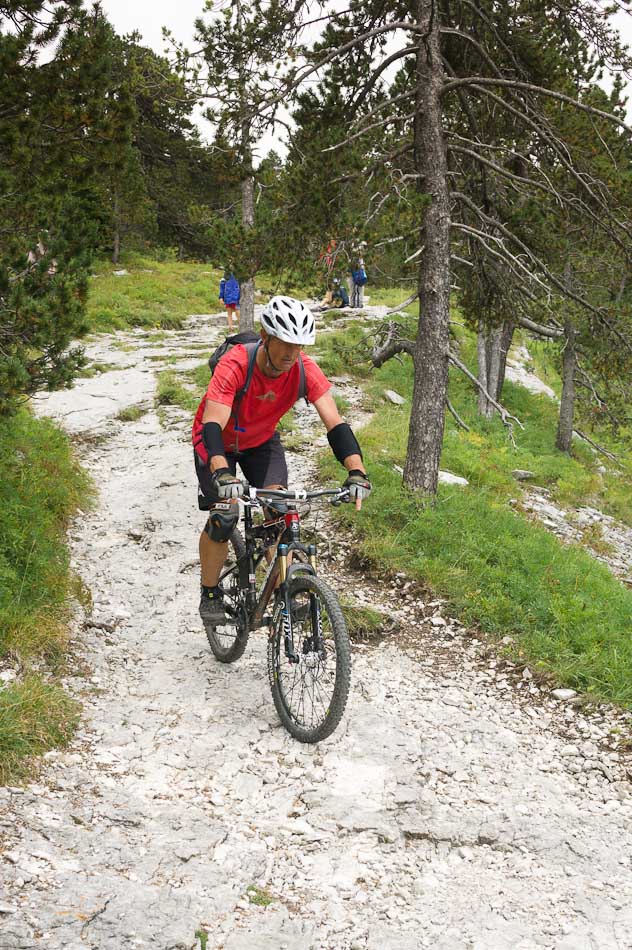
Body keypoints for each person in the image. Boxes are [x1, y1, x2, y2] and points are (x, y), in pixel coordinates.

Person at [191, 295, 371, 625]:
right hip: (217, 441)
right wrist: (221, 473)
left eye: (298, 346)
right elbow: (213, 423)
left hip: (261, 442)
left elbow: (335, 422)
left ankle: (286, 590)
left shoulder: (304, 370)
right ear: (265, 337)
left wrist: (356, 471)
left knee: (281, 512)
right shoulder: (236, 364)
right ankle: (210, 593)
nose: (291, 354)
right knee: (225, 515)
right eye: (285, 344)